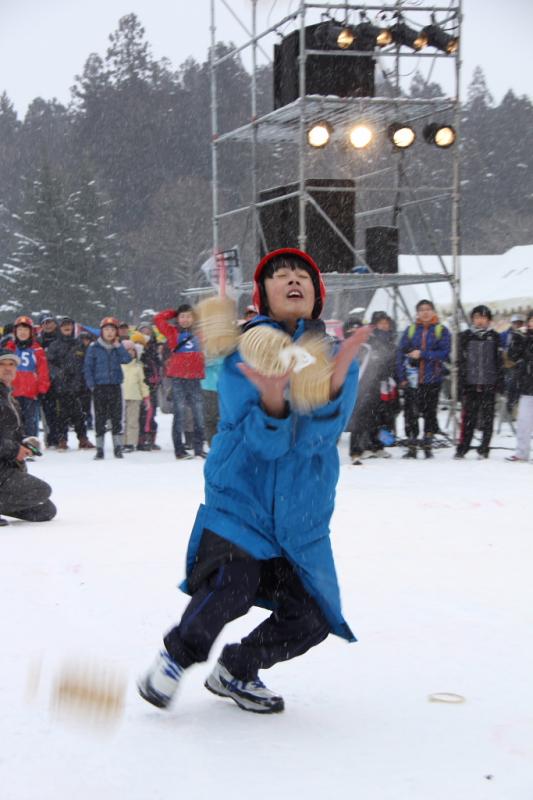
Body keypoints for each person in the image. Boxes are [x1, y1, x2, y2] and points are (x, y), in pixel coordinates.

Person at [138, 247, 369, 715]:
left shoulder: (331, 355)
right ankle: (176, 657)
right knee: (233, 583)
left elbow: (319, 440)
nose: (293, 279)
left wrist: (332, 387)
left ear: (317, 294)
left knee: (314, 614)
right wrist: (274, 404)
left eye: (303, 274)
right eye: (281, 274)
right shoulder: (242, 350)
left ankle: (237, 669)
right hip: (241, 497)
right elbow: (264, 446)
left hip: (301, 510)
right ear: (263, 294)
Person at [0, 349, 56, 527]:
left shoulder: (9, 397)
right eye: (2, 364)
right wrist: (14, 449)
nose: (7, 368)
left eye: (11, 364)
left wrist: (25, 443)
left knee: (45, 510)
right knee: (42, 490)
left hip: (7, 465)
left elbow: (11, 433)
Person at [396, 300, 451, 458]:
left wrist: (423, 354)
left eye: (428, 309)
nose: (425, 312)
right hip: (412, 380)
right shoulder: (411, 330)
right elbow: (400, 354)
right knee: (410, 414)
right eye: (421, 310)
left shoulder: (441, 330)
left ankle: (427, 444)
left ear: (433, 311)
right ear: (417, 313)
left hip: (432, 379)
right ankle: (412, 445)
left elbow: (445, 353)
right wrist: (402, 377)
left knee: (430, 413)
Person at [154, 304, 206, 459]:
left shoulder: (201, 333)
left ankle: (198, 449)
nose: (185, 319)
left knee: (199, 415)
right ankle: (179, 450)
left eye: (189, 316)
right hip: (178, 378)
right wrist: (174, 312)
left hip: (195, 378)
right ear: (177, 318)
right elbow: (158, 319)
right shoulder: (172, 332)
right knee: (180, 415)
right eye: (182, 316)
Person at [347, 311, 397, 464]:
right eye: (380, 323)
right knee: (361, 418)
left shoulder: (388, 341)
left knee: (380, 418)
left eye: (386, 323)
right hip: (364, 385)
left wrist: (390, 376)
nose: (384, 326)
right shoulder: (365, 343)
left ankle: (377, 446)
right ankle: (356, 450)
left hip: (382, 385)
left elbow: (390, 362)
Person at [455, 305, 503, 459]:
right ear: (472, 319)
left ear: (488, 320)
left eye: (483, 317)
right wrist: (461, 383)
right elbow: (460, 361)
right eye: (477, 317)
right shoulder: (465, 336)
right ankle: (463, 447)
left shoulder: (494, 337)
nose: (480, 321)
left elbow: (499, 361)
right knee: (469, 418)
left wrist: (499, 381)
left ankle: (484, 448)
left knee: (488, 418)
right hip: (470, 383)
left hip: (489, 383)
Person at [83, 317, 132, 460]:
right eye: (106, 330)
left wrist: (119, 346)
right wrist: (91, 384)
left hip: (115, 385)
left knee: (117, 417)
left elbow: (127, 360)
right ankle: (100, 449)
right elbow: (88, 367)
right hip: (99, 387)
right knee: (100, 418)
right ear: (101, 331)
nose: (109, 333)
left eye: (112, 330)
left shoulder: (118, 347)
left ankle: (118, 448)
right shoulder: (94, 347)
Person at [46, 316, 95, 451]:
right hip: (60, 385)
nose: (67, 327)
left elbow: (86, 363)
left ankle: (83, 439)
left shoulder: (79, 344)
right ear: (60, 328)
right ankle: (62, 440)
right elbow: (49, 364)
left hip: (78, 385)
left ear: (73, 327)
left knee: (80, 414)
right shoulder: (54, 345)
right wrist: (58, 374)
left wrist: (82, 379)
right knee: (61, 414)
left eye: (69, 325)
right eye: (64, 325)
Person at [5, 316, 50, 437]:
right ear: (15, 332)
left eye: (26, 330)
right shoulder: (9, 348)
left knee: (31, 422)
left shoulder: (37, 350)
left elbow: (43, 371)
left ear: (31, 332)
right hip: (12, 393)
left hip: (31, 393)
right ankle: (14, 444)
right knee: (13, 421)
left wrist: (42, 388)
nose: (22, 333)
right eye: (20, 330)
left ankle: (31, 443)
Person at [505, 310, 533, 462]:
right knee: (523, 422)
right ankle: (522, 453)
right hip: (527, 387)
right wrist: (516, 338)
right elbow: (512, 356)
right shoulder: (523, 338)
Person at [120, 339, 150, 453]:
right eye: (127, 350)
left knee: (132, 421)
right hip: (121, 397)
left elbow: (142, 383)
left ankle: (130, 443)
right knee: (122, 421)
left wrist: (146, 397)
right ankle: (121, 442)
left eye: (132, 350)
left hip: (135, 397)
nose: (130, 352)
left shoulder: (138, 366)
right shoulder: (118, 366)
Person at [36, 315, 60, 447]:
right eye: (44, 323)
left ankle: (61, 437)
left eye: (49, 322)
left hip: (60, 380)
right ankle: (50, 438)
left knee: (60, 411)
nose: (47, 325)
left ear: (55, 323)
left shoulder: (61, 338)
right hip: (44, 381)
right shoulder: (38, 341)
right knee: (47, 411)